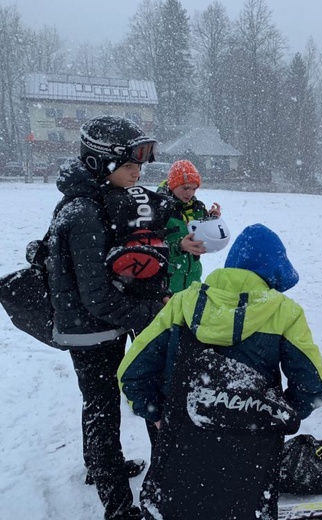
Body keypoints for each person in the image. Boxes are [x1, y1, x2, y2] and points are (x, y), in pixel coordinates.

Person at [118, 223, 322, 520]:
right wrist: (276, 418)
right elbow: (313, 387)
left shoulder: (182, 303)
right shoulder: (284, 312)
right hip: (252, 452)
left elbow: (133, 372)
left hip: (181, 440)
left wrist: (156, 414)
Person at [47, 115, 169, 520]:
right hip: (90, 331)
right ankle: (117, 505)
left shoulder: (96, 199)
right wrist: (148, 313)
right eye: (130, 165)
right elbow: (96, 296)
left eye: (141, 164)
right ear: (100, 164)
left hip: (100, 325)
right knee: (102, 410)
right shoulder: (82, 213)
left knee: (98, 405)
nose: (139, 172)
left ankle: (98, 468)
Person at [157, 159, 222, 292]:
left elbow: (203, 232)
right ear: (172, 185)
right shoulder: (158, 209)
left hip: (193, 279)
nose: (190, 193)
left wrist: (211, 219)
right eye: (185, 188)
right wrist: (179, 246)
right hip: (168, 283)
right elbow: (153, 250)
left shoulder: (197, 207)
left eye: (194, 188)